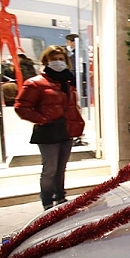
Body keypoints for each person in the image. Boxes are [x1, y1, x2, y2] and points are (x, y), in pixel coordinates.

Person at [14, 45, 85, 210]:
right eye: (54, 59)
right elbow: (21, 106)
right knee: (50, 169)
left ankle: (60, 198)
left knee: (61, 168)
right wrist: (42, 119)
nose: (58, 62)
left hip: (65, 130)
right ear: (46, 61)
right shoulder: (35, 83)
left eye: (61, 59)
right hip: (48, 131)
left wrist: (77, 126)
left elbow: (72, 106)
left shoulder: (68, 82)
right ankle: (47, 201)